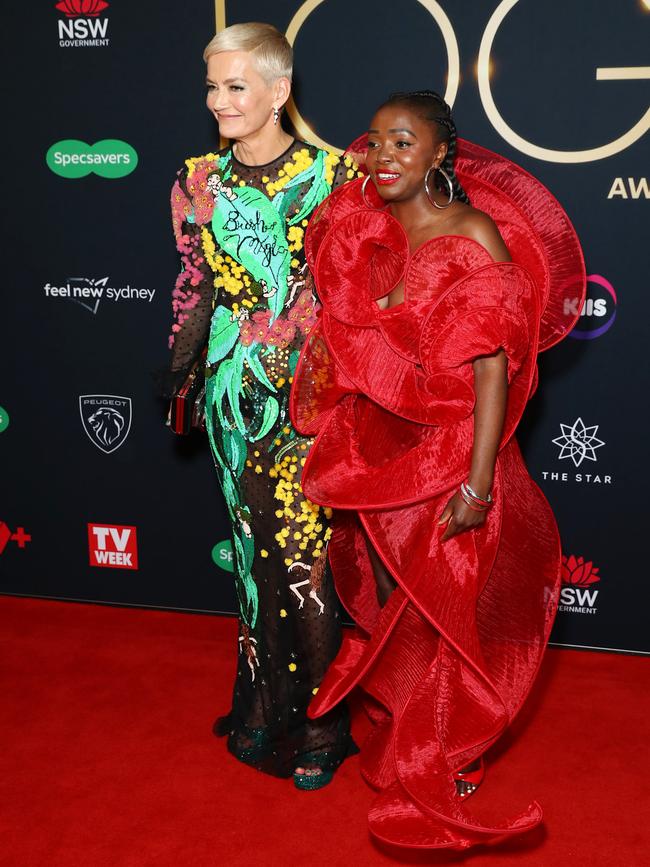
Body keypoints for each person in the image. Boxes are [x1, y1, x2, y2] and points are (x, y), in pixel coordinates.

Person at [290, 90, 585, 846]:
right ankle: (407, 732)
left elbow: (494, 368)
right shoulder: (369, 229)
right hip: (379, 454)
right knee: (394, 609)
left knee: (445, 608)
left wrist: (479, 483)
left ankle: (449, 752)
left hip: (449, 454)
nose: (385, 157)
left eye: (403, 143)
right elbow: (350, 344)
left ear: (439, 156)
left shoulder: (474, 231)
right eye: (378, 143)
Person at [166, 22, 362, 789]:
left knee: (303, 560)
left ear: (279, 91)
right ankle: (263, 703)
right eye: (212, 86)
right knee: (253, 557)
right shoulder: (196, 179)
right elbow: (196, 283)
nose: (219, 100)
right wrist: (182, 373)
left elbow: (355, 291)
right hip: (227, 395)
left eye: (236, 86)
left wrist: (304, 353)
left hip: (305, 399)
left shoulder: (333, 177)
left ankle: (323, 721)